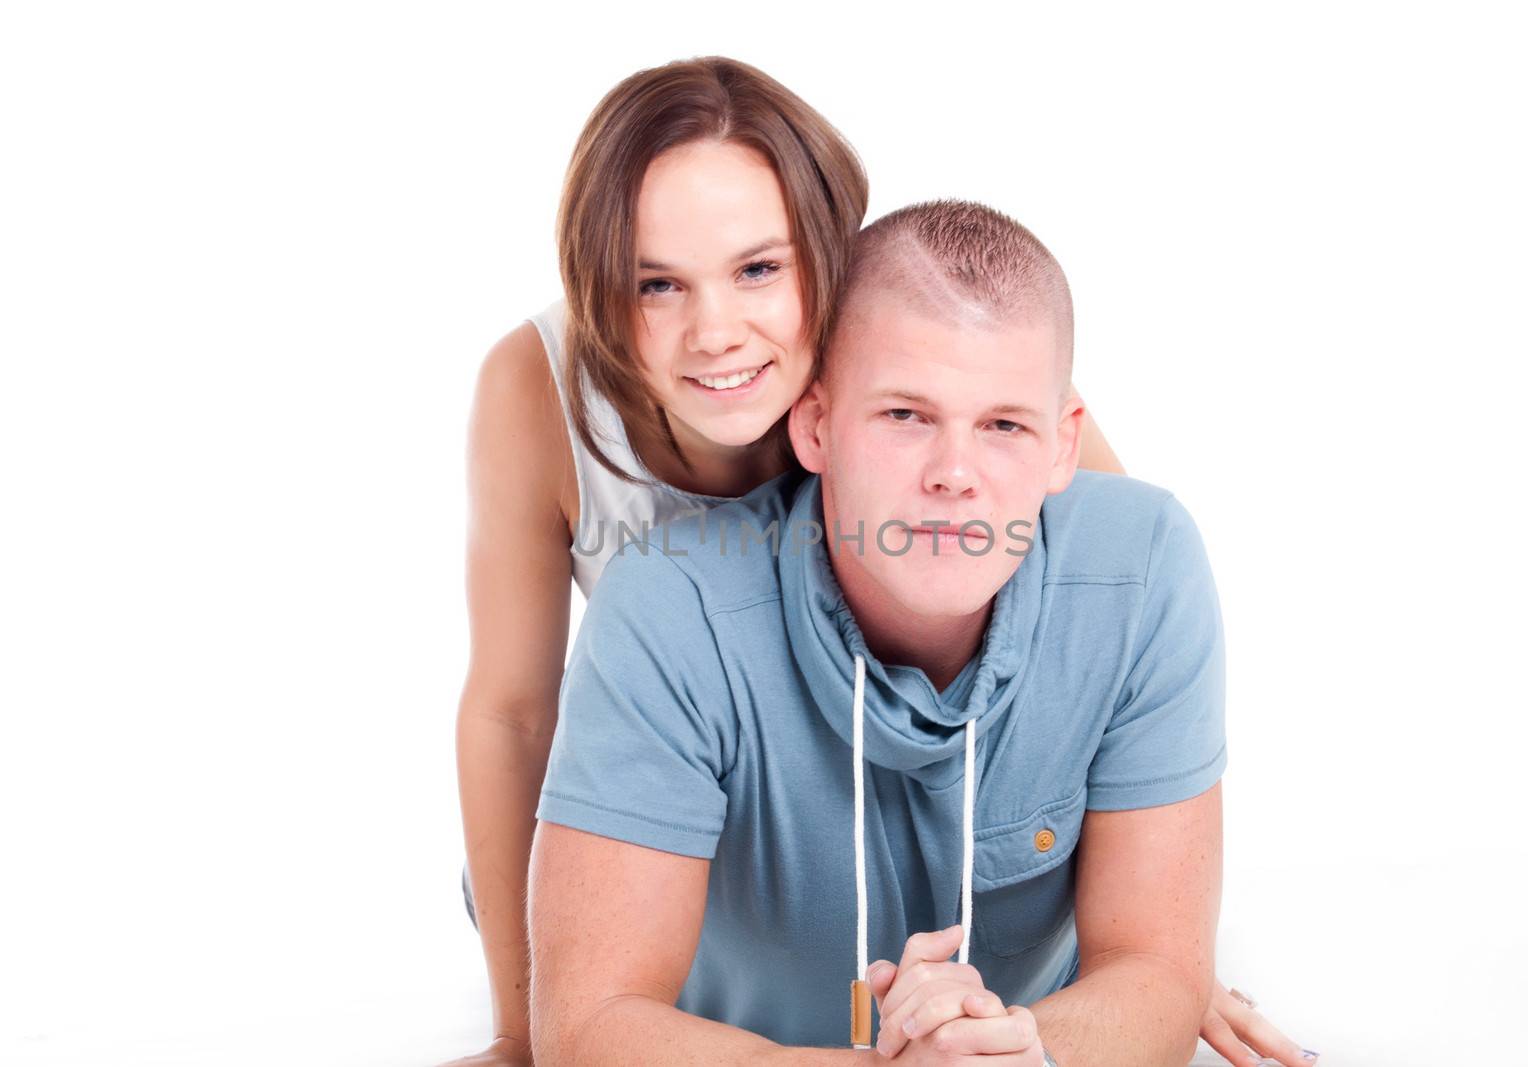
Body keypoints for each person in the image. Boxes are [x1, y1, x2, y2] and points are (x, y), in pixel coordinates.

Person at [448, 57, 1310, 1067]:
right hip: (668, 799)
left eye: (758, 268)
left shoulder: (903, 331)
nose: (716, 328)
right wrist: (526, 1020)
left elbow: (1084, 590)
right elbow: (511, 714)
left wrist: (1160, 960)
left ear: (824, 259)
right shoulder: (548, 406)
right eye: (655, 283)